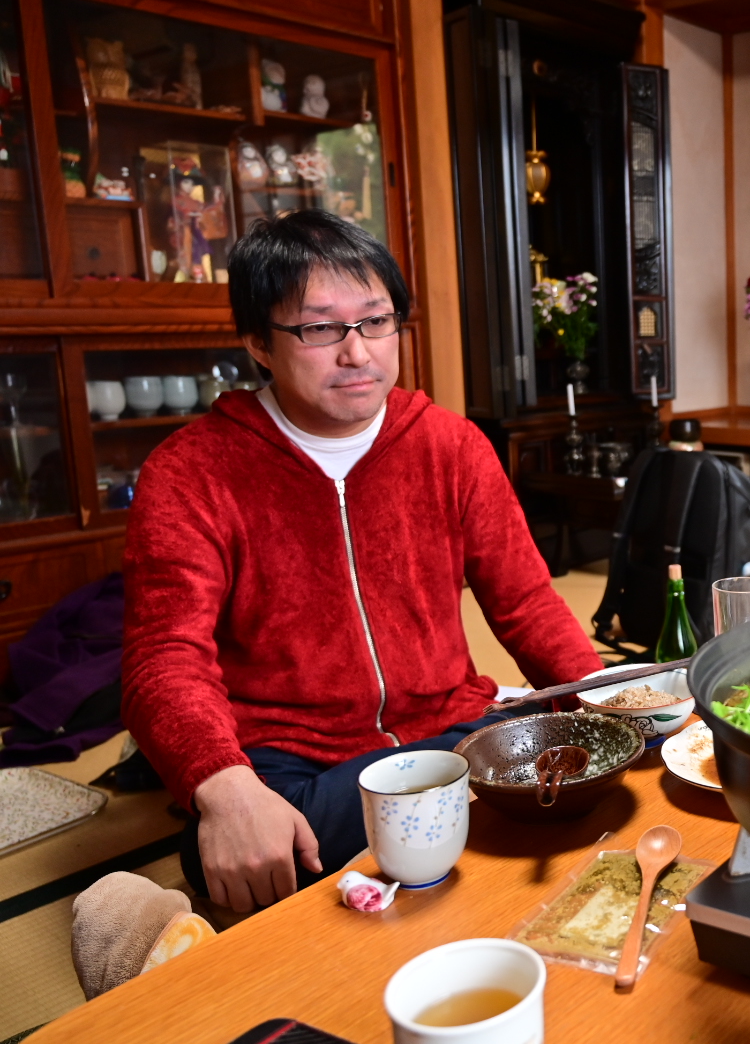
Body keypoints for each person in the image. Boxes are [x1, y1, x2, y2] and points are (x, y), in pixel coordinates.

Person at [121, 210, 603, 913]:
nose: (358, 353)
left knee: (587, 762)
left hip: (453, 734)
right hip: (296, 764)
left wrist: (608, 701)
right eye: (320, 328)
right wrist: (224, 787)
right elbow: (164, 657)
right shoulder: (192, 472)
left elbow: (527, 604)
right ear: (258, 340)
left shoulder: (451, 445)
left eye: (376, 322)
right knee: (264, 844)